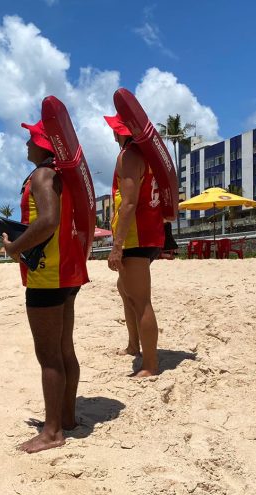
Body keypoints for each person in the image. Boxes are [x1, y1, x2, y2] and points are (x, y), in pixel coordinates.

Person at [1, 120, 88, 453]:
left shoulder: (41, 176)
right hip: (68, 272)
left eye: (30, 139)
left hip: (48, 274)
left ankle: (52, 432)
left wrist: (15, 247)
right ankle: (66, 418)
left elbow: (48, 221)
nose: (26, 144)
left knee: (49, 355)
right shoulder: (61, 176)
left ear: (43, 145)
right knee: (64, 349)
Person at [104, 114, 164, 377]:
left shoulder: (128, 156)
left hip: (136, 236)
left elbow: (128, 203)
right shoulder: (147, 155)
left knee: (141, 300)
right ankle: (132, 345)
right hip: (149, 233)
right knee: (124, 288)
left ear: (122, 132)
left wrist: (117, 246)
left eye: (115, 130)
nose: (112, 135)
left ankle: (150, 365)